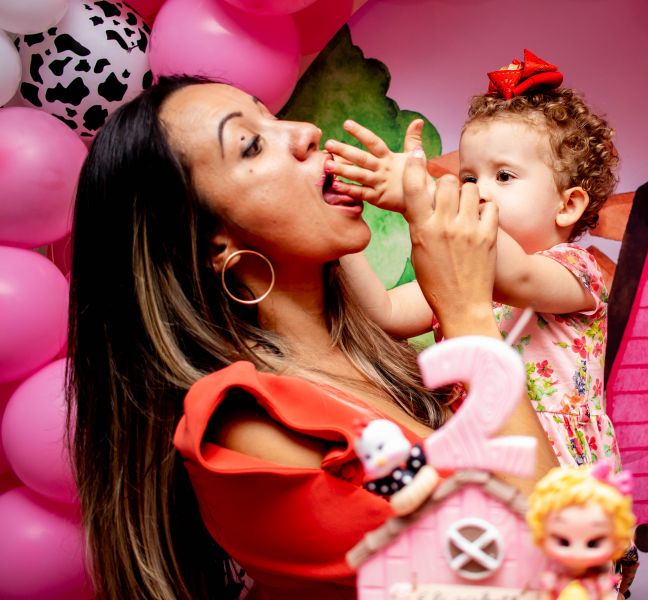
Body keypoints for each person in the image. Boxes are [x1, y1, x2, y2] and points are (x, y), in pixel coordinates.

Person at [65, 75, 556, 600]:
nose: (304, 133)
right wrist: (467, 313)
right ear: (213, 244)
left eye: (273, 117)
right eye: (251, 143)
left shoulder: (386, 364)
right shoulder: (242, 426)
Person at [325, 49, 621, 468]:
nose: (476, 191)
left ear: (567, 205)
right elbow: (385, 312)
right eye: (468, 177)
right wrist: (337, 225)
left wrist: (422, 196)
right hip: (478, 462)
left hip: (559, 475)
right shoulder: (454, 276)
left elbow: (515, 274)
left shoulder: (575, 270)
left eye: (503, 176)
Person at [526, 461, 636, 600]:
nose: (577, 553)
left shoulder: (599, 584)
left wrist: (621, 591)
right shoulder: (550, 576)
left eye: (593, 543)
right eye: (563, 541)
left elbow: (632, 560)